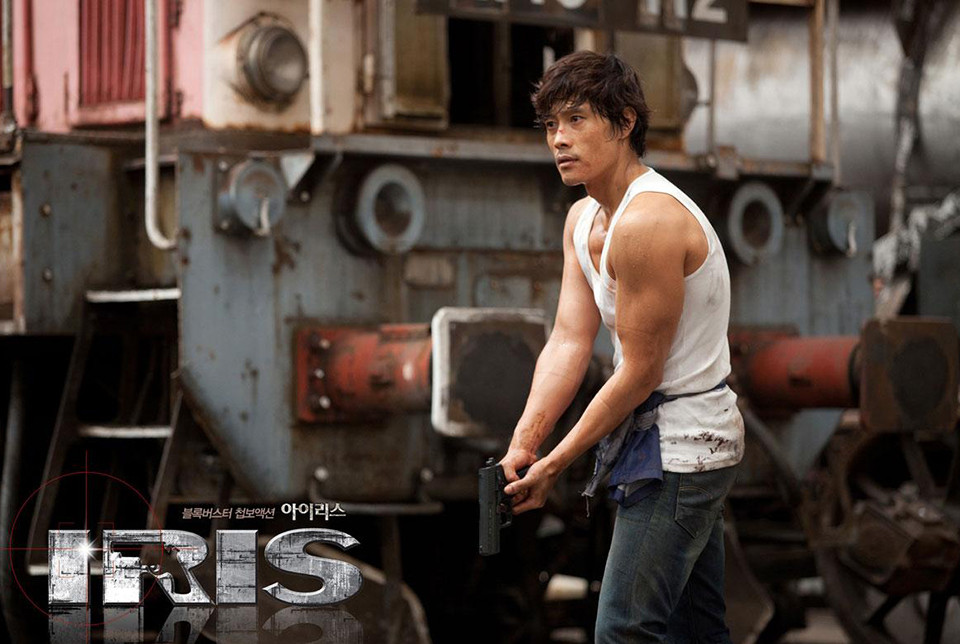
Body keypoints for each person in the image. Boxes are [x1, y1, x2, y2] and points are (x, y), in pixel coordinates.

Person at [499, 51, 745, 643]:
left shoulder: (647, 223)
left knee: (622, 631)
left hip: (683, 449)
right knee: (696, 632)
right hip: (661, 444)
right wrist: (525, 442)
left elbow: (639, 372)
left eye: (576, 119)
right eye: (551, 125)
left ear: (625, 122)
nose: (559, 139)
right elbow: (568, 341)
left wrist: (555, 464)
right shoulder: (583, 219)